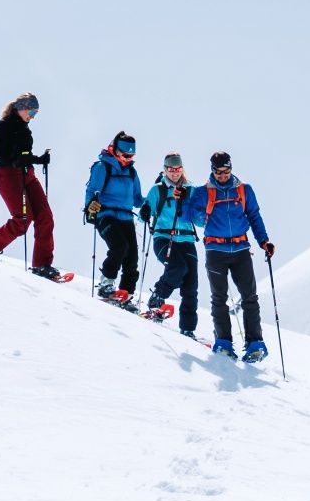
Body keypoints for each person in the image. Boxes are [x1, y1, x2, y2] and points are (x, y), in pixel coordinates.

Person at [187, 151, 274, 361]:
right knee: (219, 298)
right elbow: (191, 216)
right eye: (218, 172)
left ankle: (255, 343)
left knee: (250, 297)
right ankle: (224, 343)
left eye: (226, 171)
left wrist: (264, 241)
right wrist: (199, 214)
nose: (223, 176)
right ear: (212, 171)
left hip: (241, 249)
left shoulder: (244, 190)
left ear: (231, 168)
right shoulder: (202, 192)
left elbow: (254, 216)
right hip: (215, 251)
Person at [0, 93, 61, 278]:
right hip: (9, 175)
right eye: (31, 111)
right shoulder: (4, 125)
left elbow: (25, 154)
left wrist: (39, 159)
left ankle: (42, 265)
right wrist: (15, 159)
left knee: (45, 216)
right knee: (23, 219)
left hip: (27, 174)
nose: (32, 116)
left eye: (35, 113)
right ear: (22, 107)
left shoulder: (25, 129)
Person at [138, 152, 200, 335]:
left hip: (187, 239)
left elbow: (198, 219)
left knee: (191, 286)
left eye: (178, 169)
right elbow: (144, 216)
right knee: (178, 267)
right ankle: (158, 296)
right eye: (171, 169)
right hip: (164, 238)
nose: (175, 173)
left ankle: (188, 329)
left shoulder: (191, 190)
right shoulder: (158, 189)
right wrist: (144, 213)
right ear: (165, 169)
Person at [84, 132, 143, 304]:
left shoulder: (132, 172)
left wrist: (151, 203)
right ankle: (106, 283)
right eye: (125, 155)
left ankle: (126, 294)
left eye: (131, 156)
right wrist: (90, 206)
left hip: (125, 217)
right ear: (115, 151)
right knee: (120, 246)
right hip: (106, 214)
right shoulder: (103, 167)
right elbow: (92, 190)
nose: (127, 159)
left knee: (132, 257)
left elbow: (138, 199)